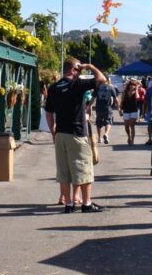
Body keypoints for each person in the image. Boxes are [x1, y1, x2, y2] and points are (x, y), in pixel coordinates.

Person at [44, 58, 107, 213]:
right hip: (77, 132)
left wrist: (53, 132)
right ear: (73, 70)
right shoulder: (77, 84)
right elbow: (102, 79)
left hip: (60, 133)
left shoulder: (53, 87)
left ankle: (69, 204)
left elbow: (49, 113)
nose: (80, 73)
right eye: (79, 70)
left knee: (63, 171)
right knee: (84, 168)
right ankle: (86, 203)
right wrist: (90, 66)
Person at [94, 80, 119, 144]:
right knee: (108, 121)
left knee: (98, 123)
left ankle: (99, 138)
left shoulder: (98, 88)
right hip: (108, 108)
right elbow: (116, 98)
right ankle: (106, 134)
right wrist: (119, 108)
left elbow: (93, 98)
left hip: (99, 108)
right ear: (107, 80)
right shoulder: (111, 87)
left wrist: (89, 107)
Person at [120, 79, 144, 145]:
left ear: (136, 86)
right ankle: (129, 136)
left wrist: (136, 90)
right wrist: (120, 109)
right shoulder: (125, 92)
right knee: (126, 126)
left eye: (134, 85)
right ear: (129, 85)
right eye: (131, 84)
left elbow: (137, 97)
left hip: (134, 110)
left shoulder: (136, 92)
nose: (132, 86)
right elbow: (122, 101)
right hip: (126, 110)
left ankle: (132, 140)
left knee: (132, 125)